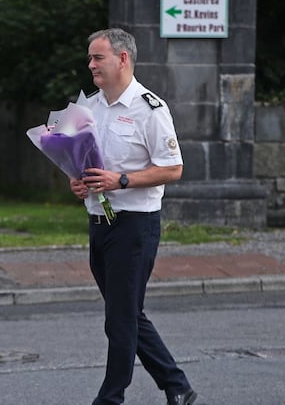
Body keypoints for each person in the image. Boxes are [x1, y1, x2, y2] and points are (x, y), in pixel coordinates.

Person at [68, 28, 197, 405]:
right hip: (99, 224)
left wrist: (121, 180)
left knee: (120, 319)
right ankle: (177, 386)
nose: (90, 64)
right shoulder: (89, 107)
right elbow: (80, 165)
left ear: (122, 59)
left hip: (135, 226)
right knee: (127, 314)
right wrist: (77, 183)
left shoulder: (149, 109)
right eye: (90, 58)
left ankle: (111, 398)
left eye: (98, 57)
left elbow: (173, 168)